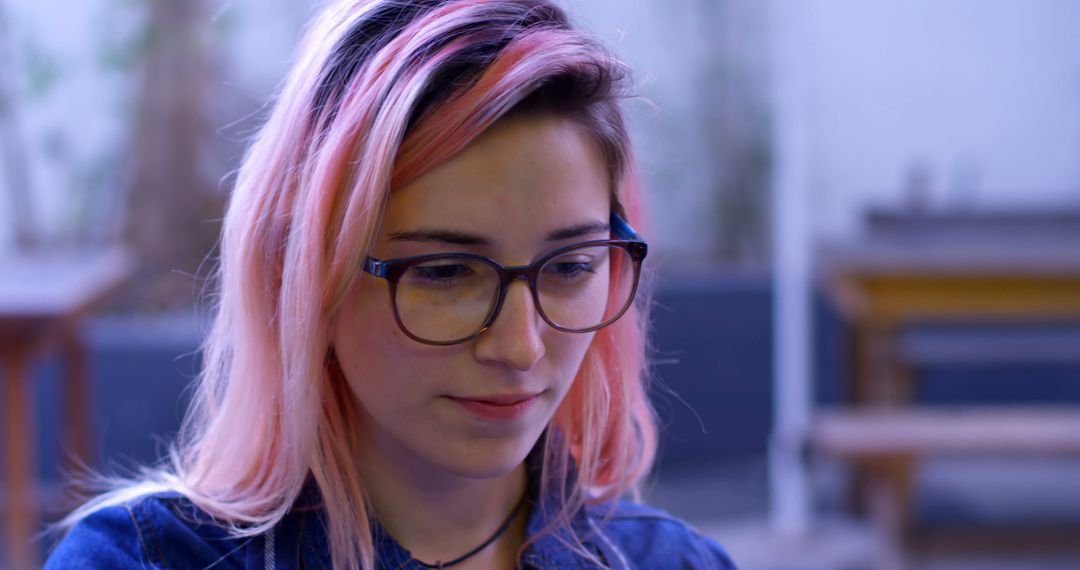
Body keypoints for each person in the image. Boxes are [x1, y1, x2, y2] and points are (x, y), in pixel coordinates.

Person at [46, 0, 737, 568]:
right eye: (444, 272)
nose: (521, 347)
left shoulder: (672, 561)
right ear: (306, 274)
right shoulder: (148, 559)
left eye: (570, 267)